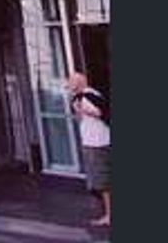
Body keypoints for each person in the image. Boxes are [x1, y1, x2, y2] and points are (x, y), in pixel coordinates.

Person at [69, 72, 111, 227]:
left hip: (97, 143)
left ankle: (109, 216)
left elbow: (99, 113)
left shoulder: (86, 97)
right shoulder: (91, 95)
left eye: (71, 82)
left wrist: (82, 110)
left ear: (79, 83)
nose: (68, 85)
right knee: (101, 181)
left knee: (103, 182)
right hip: (96, 142)